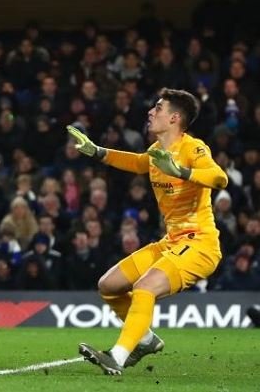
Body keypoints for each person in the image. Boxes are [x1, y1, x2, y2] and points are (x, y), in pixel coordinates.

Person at [67, 88, 228, 375]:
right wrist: (97, 151)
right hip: (171, 242)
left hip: (200, 244)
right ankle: (145, 339)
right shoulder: (155, 151)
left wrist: (182, 172)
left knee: (144, 287)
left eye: (158, 108)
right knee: (109, 285)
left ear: (175, 118)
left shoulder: (194, 148)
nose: (151, 112)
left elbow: (219, 178)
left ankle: (117, 356)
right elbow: (139, 162)